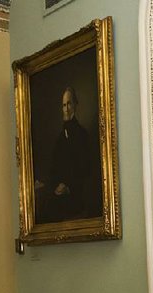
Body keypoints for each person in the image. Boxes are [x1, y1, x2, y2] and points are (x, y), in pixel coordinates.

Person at [35, 86, 102, 223]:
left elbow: (86, 169)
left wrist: (68, 186)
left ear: (75, 105)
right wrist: (48, 183)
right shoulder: (60, 138)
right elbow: (54, 168)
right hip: (58, 191)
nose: (66, 109)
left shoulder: (83, 135)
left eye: (69, 104)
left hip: (76, 195)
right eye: (64, 105)